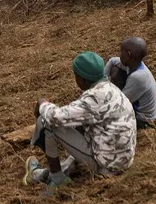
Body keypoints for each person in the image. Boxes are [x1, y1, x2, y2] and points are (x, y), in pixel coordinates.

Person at [24, 52, 136, 196]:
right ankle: (49, 173)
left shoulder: (94, 98)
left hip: (106, 166)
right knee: (74, 127)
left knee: (46, 122)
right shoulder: (111, 89)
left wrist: (42, 103)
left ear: (82, 79)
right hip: (122, 160)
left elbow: (54, 117)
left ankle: (56, 180)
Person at [104, 37, 156, 128]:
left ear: (128, 55)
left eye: (121, 52)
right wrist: (103, 81)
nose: (120, 55)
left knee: (104, 119)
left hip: (143, 120)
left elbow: (119, 102)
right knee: (115, 68)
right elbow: (112, 61)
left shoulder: (138, 77)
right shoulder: (134, 64)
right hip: (133, 103)